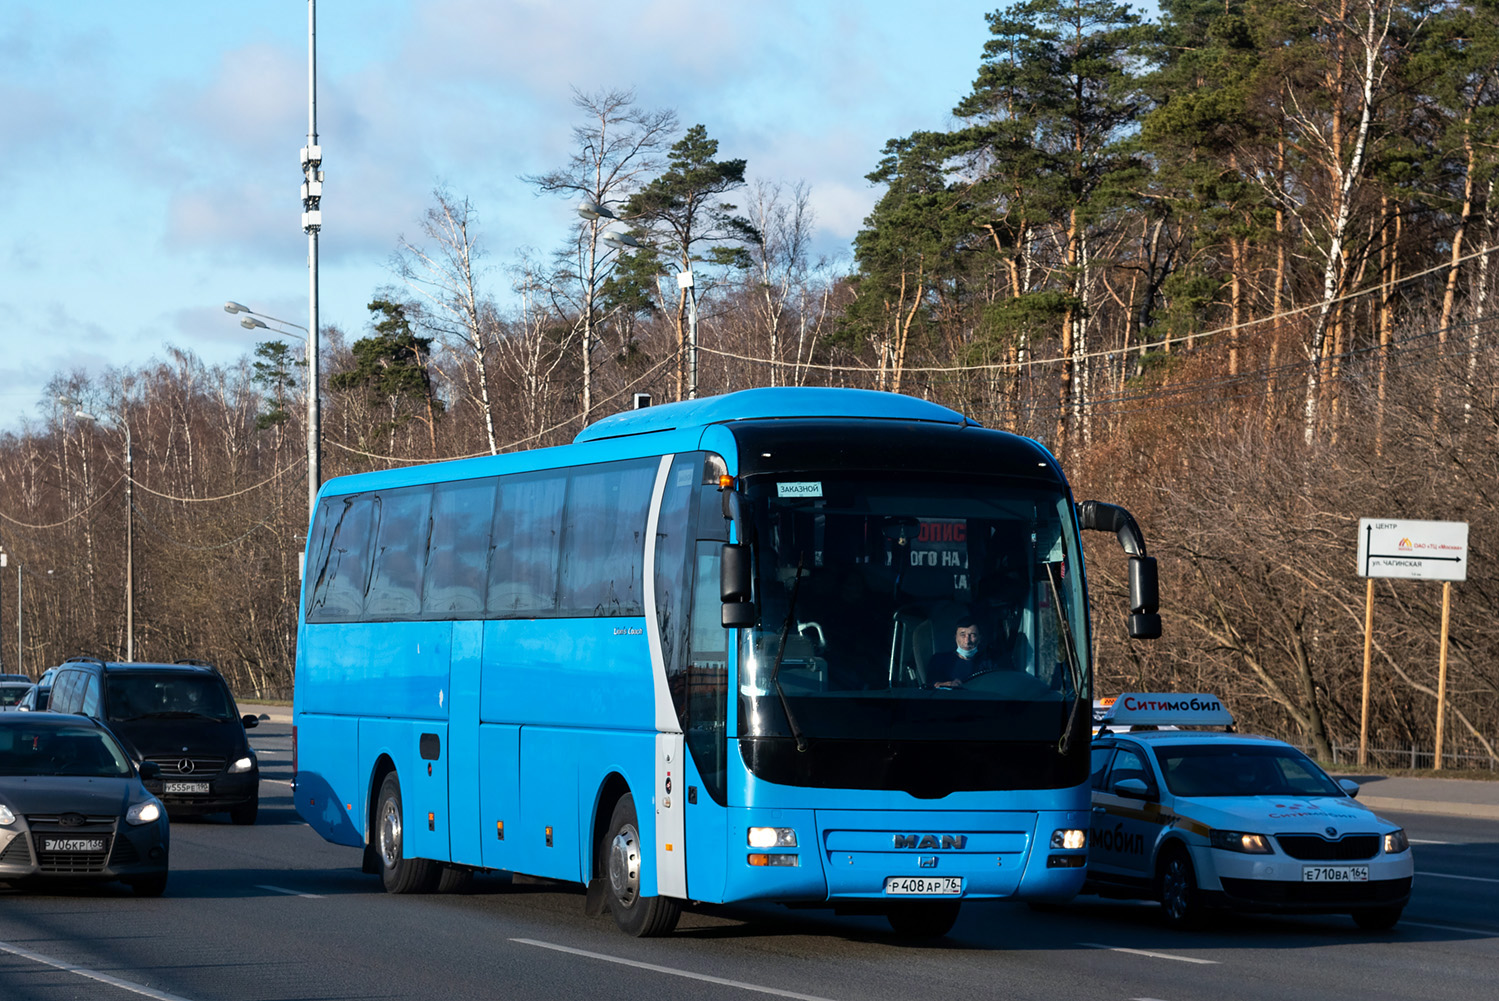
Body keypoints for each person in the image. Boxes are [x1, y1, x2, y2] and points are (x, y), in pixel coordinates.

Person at [925, 617, 1003, 688]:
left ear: (979, 638)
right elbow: (928, 686)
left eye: (972, 635)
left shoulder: (989, 663)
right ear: (955, 637)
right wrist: (947, 684)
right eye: (962, 635)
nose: (967, 641)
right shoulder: (939, 660)